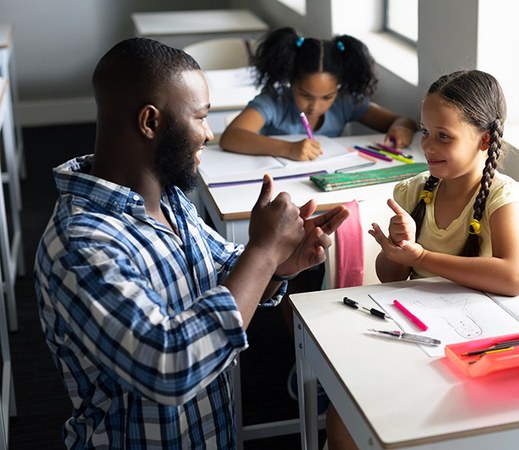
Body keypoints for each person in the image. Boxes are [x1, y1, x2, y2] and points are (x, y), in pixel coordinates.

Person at [33, 37, 349, 449]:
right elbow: (170, 366)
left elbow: (223, 271)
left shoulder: (168, 198)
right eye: (200, 117)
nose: (209, 133)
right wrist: (264, 251)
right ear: (150, 122)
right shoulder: (79, 245)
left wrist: (279, 263)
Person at [325, 70, 519, 450]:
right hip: (415, 329)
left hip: (476, 340)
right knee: (344, 413)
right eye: (424, 131)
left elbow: (513, 276)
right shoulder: (413, 191)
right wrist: (398, 251)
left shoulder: (503, 195)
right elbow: (389, 279)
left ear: (484, 140)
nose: (427, 146)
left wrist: (423, 255)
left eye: (443, 136)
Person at [219, 27, 416, 160]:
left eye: (327, 97)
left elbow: (402, 121)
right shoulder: (274, 100)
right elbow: (231, 137)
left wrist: (401, 129)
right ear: (291, 81)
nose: (315, 106)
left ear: (337, 88)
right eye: (305, 95)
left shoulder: (345, 101)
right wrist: (288, 148)